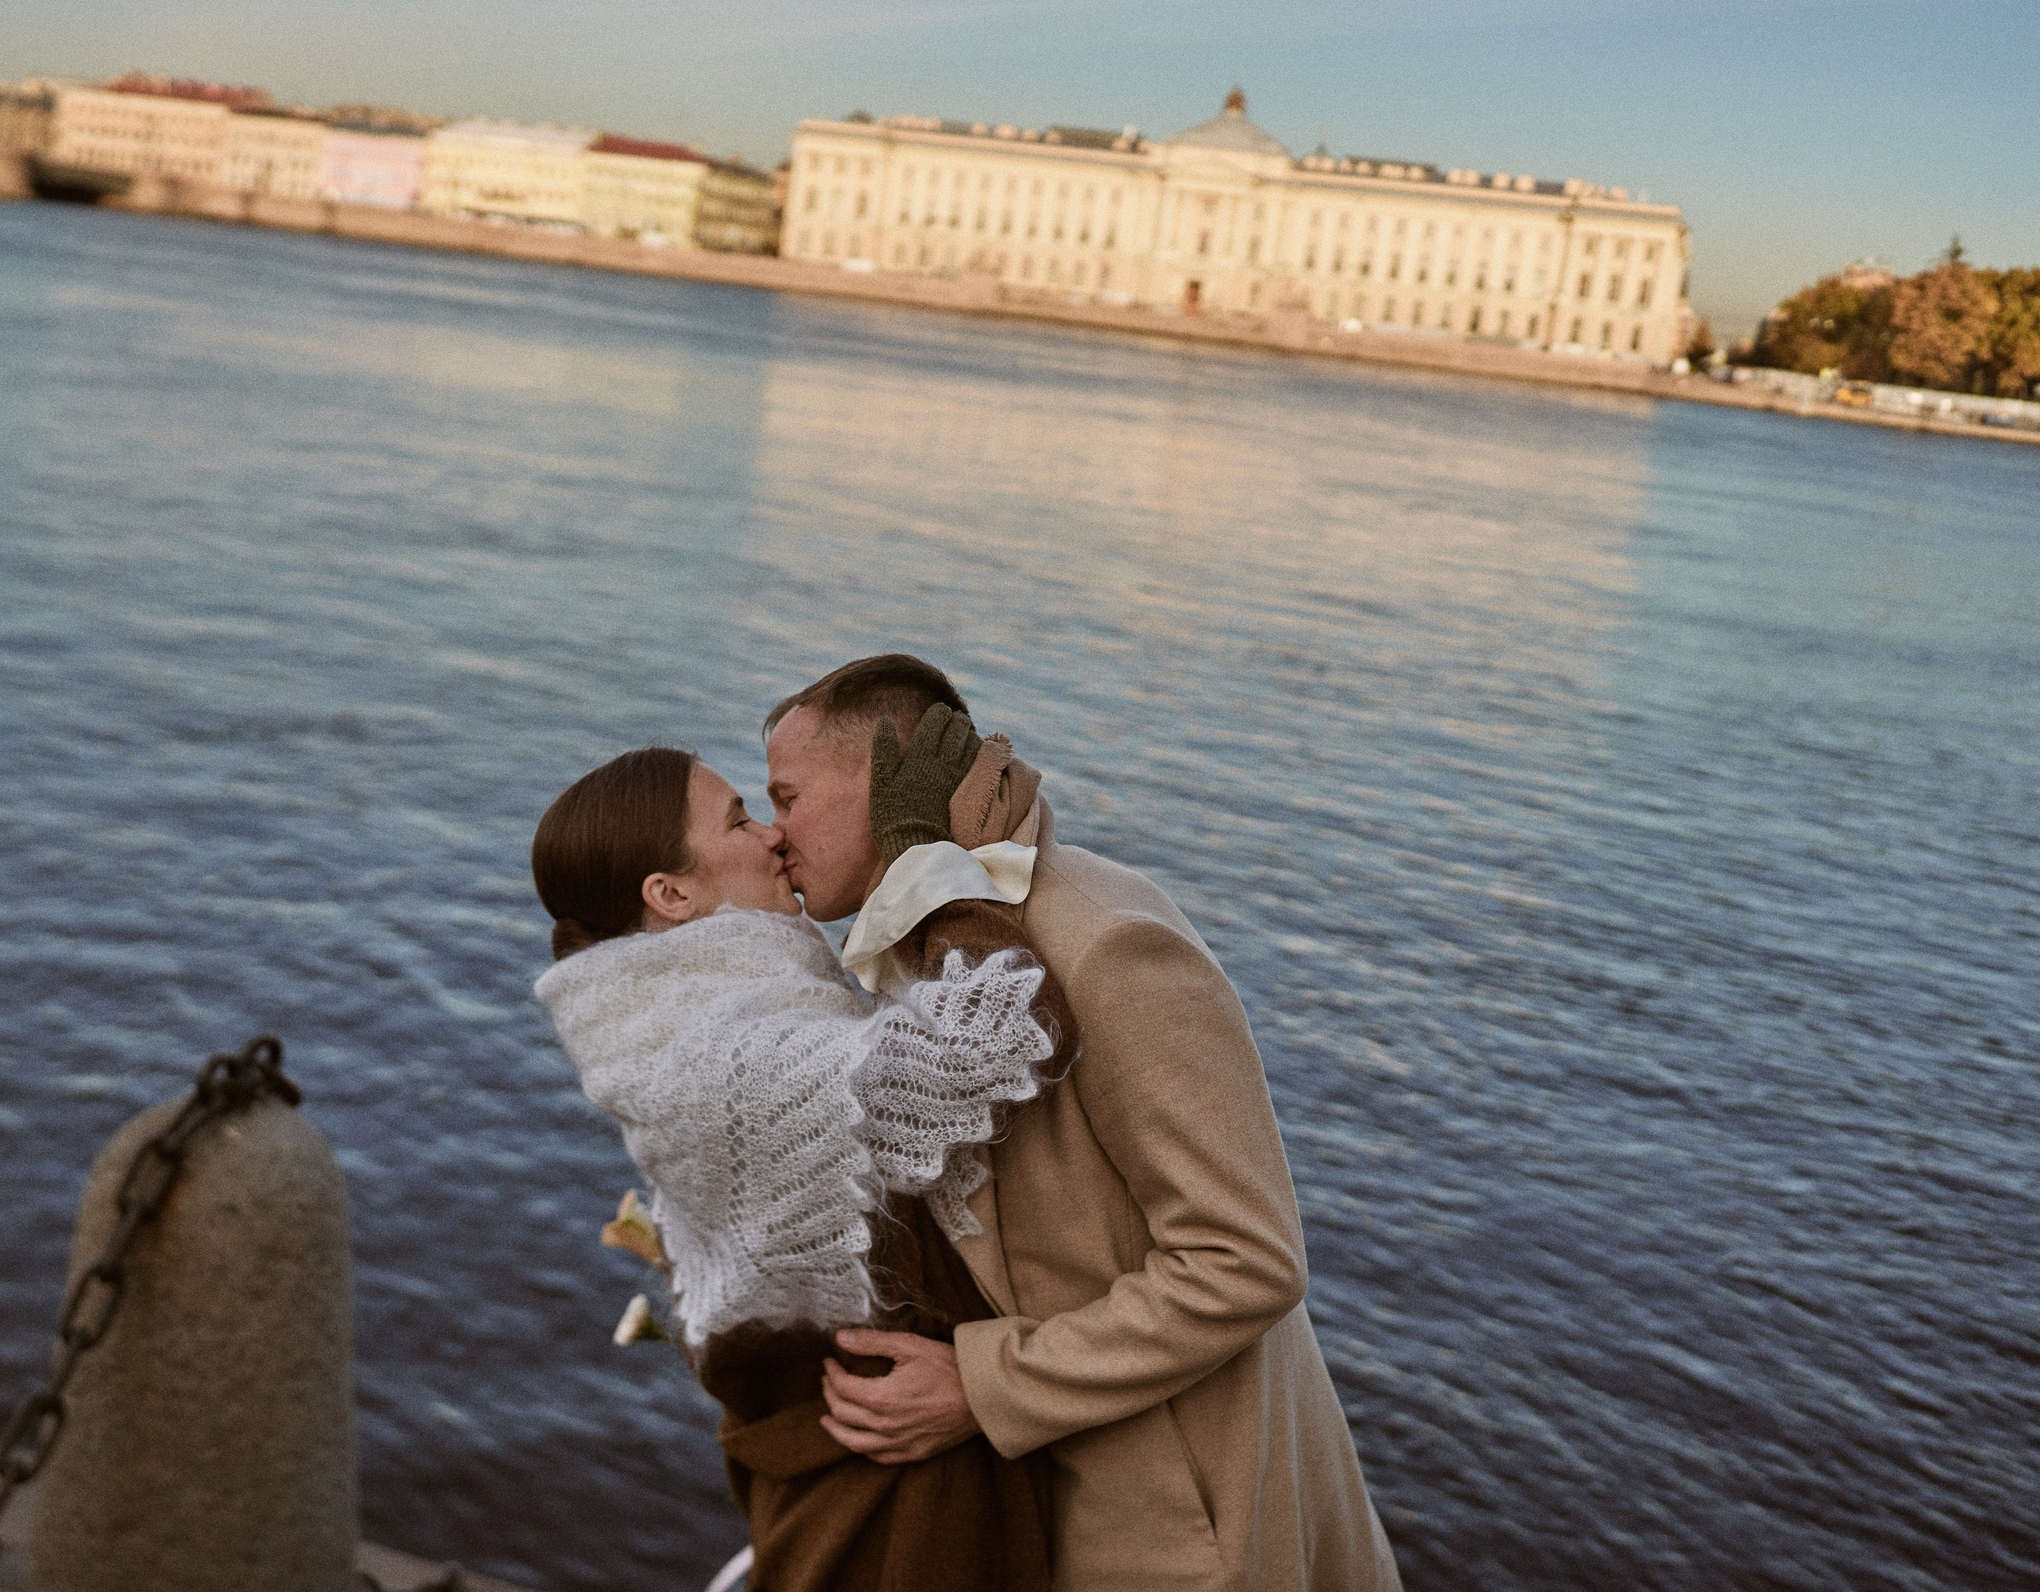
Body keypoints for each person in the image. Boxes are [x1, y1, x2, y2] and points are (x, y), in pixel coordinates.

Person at [763, 655, 1403, 1592]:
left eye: (784, 796)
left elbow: (1248, 1258)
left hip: (1181, 1528)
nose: (773, 835)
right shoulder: (927, 946)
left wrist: (981, 1386)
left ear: (880, 779)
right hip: (1052, 1502)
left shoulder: (1106, 943)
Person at [529, 742, 1067, 1592]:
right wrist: (947, 864)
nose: (775, 836)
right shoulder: (732, 1055)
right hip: (889, 1483)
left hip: (838, 1457)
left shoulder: (673, 1022)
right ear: (670, 894)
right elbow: (989, 1041)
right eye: (740, 817)